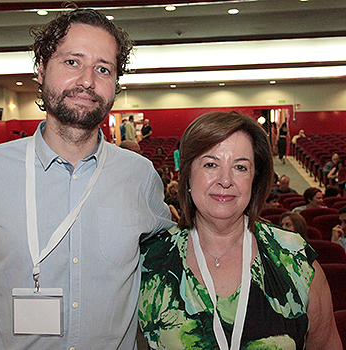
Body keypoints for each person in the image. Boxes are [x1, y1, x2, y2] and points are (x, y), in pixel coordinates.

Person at [0, 9, 172, 349]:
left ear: (115, 85)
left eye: (103, 69)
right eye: (72, 62)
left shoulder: (140, 176)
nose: (88, 81)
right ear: (40, 70)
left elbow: (167, 274)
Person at [138, 111, 340, 349]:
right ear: (187, 175)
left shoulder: (295, 258)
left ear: (255, 178)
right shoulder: (149, 260)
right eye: (211, 164)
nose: (225, 180)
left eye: (240, 167)